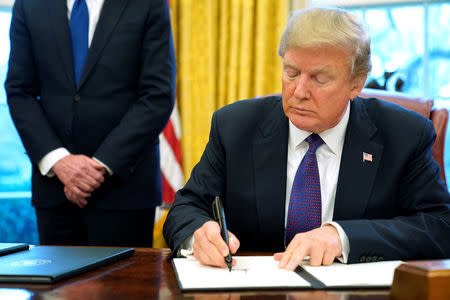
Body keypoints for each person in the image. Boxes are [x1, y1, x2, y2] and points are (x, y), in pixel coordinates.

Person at [163, 7, 450, 269]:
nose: (299, 91)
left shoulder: (404, 135)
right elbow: (186, 209)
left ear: (356, 83)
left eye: (320, 78)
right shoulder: (235, 127)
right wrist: (198, 235)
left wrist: (343, 237)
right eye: (291, 72)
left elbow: (439, 226)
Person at [5, 0, 175, 247]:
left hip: (125, 191)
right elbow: (19, 91)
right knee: (57, 286)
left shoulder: (148, 4)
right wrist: (59, 161)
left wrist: (100, 166)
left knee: (126, 286)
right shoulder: (29, 4)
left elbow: (157, 95)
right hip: (55, 190)